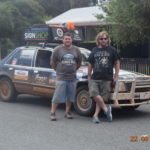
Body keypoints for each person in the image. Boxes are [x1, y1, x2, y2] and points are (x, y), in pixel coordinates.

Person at [88, 31, 120, 123]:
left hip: (107, 78)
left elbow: (117, 62)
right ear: (98, 40)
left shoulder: (112, 50)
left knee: (102, 98)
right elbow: (90, 63)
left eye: (105, 38)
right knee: (94, 93)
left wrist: (116, 76)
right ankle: (106, 110)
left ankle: (95, 116)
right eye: (101, 39)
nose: (103, 40)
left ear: (108, 39)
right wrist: (89, 76)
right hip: (95, 78)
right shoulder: (94, 50)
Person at [50, 32, 82, 121]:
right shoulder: (57, 49)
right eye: (66, 39)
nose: (67, 40)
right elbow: (52, 62)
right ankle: (53, 113)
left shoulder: (76, 50)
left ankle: (67, 112)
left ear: (72, 40)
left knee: (70, 96)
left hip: (72, 77)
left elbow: (79, 61)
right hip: (61, 77)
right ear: (63, 40)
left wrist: (74, 69)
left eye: (69, 39)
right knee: (57, 96)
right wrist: (57, 70)